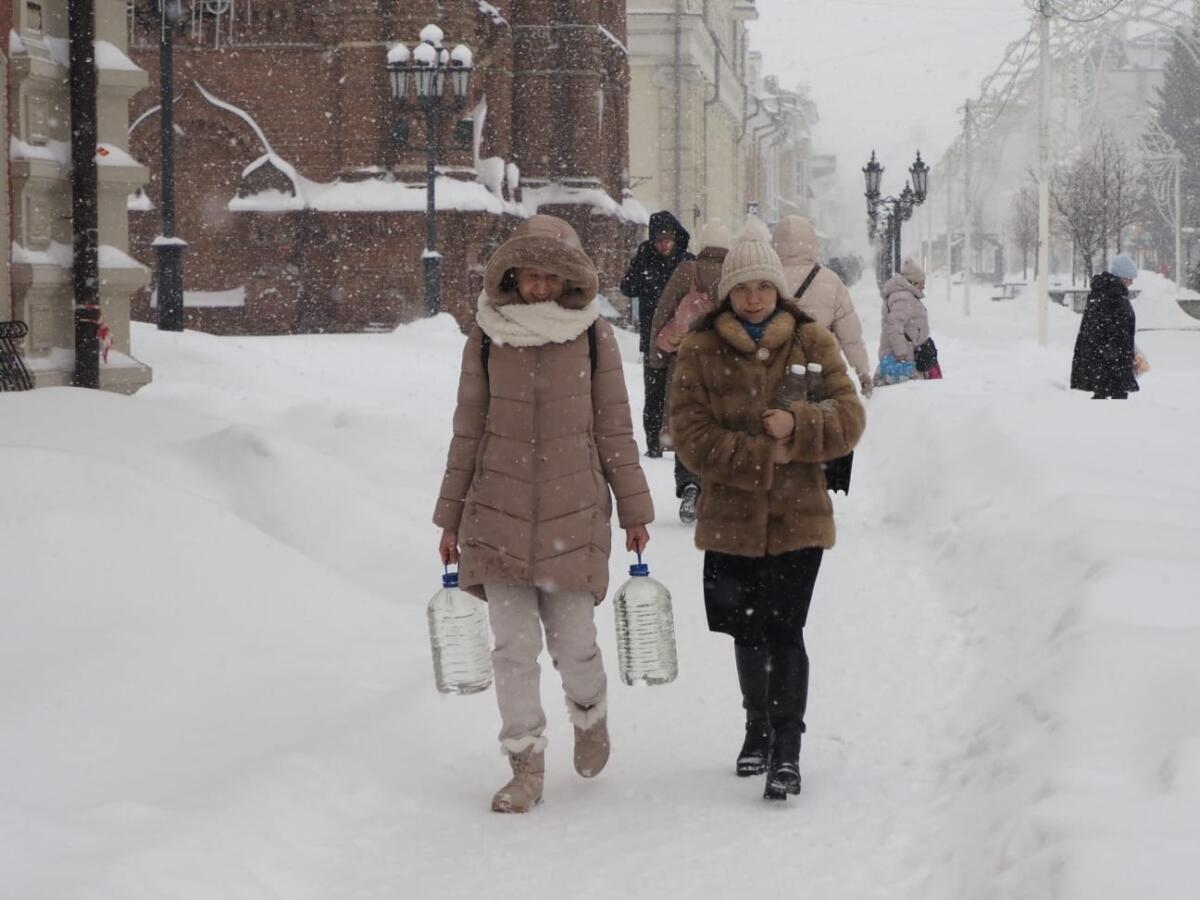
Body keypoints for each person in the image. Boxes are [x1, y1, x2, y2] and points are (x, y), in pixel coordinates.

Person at [434, 215, 655, 814]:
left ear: (569, 279)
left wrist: (634, 509)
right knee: (511, 648)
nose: (538, 287)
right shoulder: (485, 334)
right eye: (529, 275)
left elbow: (615, 430)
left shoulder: (592, 336)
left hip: (573, 512)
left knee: (575, 646)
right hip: (495, 513)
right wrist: (450, 518)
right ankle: (524, 762)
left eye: (549, 276)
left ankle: (590, 714)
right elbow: (468, 429)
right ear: (513, 275)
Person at [669, 219, 866, 801]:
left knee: (786, 630)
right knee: (746, 632)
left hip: (798, 516)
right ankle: (755, 727)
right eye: (742, 287)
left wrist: (801, 425)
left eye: (762, 286)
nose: (753, 297)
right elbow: (687, 432)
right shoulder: (701, 349)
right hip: (730, 516)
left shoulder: (811, 341)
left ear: (778, 288)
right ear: (728, 291)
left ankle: (788, 747)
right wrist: (760, 454)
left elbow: (850, 417)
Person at [647, 219, 731, 523]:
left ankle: (690, 484)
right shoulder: (734, 275)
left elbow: (663, 310)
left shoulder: (687, 270)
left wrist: (656, 354)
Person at [772, 215, 874, 397]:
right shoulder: (830, 280)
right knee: (820, 418)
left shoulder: (767, 280)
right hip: (820, 368)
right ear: (812, 242)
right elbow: (850, 336)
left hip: (777, 368)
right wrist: (862, 371)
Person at [620, 211, 694, 457]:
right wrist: (641, 264)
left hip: (683, 338)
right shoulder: (645, 259)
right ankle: (654, 443)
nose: (664, 244)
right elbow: (627, 288)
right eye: (659, 240)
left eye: (668, 239)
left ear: (676, 238)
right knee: (654, 394)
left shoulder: (686, 261)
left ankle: (681, 443)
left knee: (683, 394)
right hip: (652, 339)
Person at [1070, 254, 1140, 400]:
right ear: (1122, 276)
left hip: (1107, 358)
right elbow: (1111, 329)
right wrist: (1115, 353)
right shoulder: (1112, 293)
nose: (1132, 282)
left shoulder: (1106, 291)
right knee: (1112, 400)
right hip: (1111, 360)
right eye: (1130, 277)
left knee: (1103, 396)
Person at [874, 258, 930, 386]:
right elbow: (895, 326)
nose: (924, 286)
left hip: (907, 356)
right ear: (913, 282)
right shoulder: (903, 298)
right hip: (901, 360)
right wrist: (901, 354)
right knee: (903, 396)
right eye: (922, 282)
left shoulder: (906, 296)